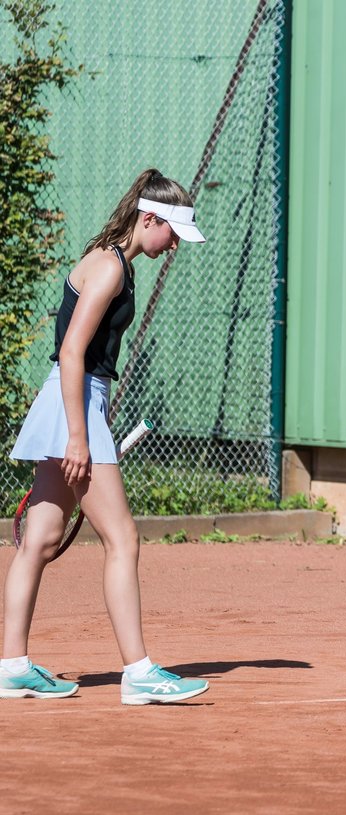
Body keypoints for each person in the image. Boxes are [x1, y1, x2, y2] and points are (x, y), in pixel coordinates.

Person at [0, 168, 211, 705]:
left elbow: (84, 362)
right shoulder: (110, 269)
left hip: (76, 403)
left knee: (39, 541)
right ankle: (138, 673)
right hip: (73, 407)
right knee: (123, 538)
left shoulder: (112, 261)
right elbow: (72, 352)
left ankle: (12, 665)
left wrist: (90, 419)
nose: (172, 249)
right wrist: (79, 435)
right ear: (148, 219)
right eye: (171, 236)